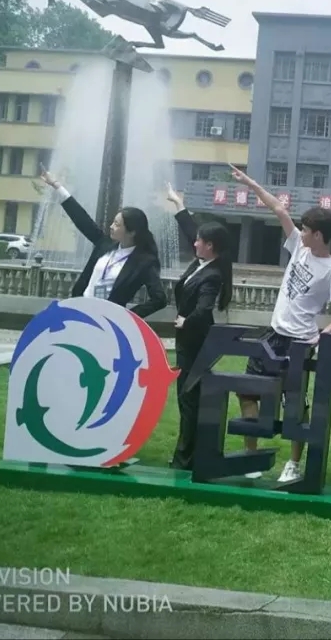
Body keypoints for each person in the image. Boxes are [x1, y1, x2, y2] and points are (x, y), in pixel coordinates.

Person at [228, 164, 331, 483]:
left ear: (319, 235)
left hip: (298, 343)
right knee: (247, 392)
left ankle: (294, 464)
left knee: (294, 405)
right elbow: (279, 208)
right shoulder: (299, 245)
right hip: (273, 335)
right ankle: (252, 456)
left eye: (307, 229)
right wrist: (249, 182)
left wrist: (322, 336)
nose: (301, 231)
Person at [165, 182, 234, 471]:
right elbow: (190, 230)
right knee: (188, 397)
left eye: (199, 241)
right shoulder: (203, 262)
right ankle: (187, 455)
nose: (194, 243)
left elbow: (204, 308)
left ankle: (185, 459)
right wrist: (178, 203)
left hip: (194, 343)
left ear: (210, 246)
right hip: (191, 342)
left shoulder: (212, 274)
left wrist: (186, 320)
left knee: (188, 398)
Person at [38, 165, 167, 319]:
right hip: (80, 311)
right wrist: (56, 185)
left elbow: (159, 299)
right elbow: (81, 218)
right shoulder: (105, 244)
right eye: (113, 222)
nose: (111, 227)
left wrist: (128, 317)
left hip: (106, 322)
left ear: (132, 232)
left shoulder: (144, 262)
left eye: (117, 225)